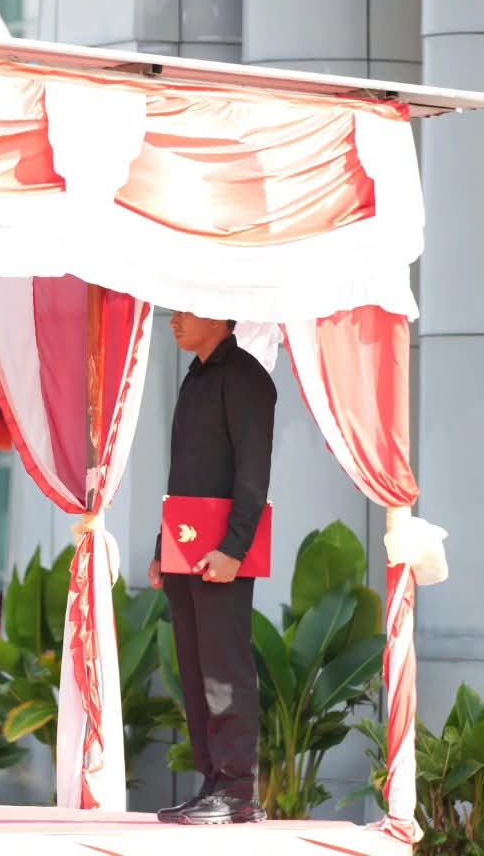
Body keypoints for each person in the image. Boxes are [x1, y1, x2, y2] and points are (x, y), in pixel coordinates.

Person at [149, 313, 275, 826]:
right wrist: (162, 548)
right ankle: (213, 784)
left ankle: (238, 791)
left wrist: (235, 549)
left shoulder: (245, 377)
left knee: (225, 669)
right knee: (197, 670)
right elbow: (183, 476)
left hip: (223, 553)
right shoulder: (195, 376)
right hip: (186, 552)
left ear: (218, 314)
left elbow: (253, 471)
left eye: (184, 310)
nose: (174, 321)